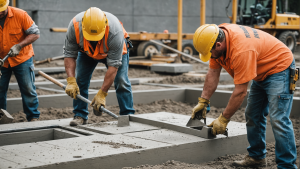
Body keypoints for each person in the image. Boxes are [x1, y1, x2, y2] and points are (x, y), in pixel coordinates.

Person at [192, 24, 297, 168]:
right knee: (253, 114)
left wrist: (223, 119)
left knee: (278, 118)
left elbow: (240, 91)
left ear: (218, 44)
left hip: (280, 68)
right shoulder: (214, 37)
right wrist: (203, 101)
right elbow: (213, 73)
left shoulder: (241, 50)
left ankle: (287, 166)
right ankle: (257, 158)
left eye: (210, 52)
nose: (209, 56)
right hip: (260, 68)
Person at [63, 7, 135, 126]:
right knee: (80, 79)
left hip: (112, 52)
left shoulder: (115, 32)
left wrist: (102, 93)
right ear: (83, 27)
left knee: (122, 81)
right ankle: (80, 115)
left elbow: (113, 66)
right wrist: (71, 80)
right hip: (86, 52)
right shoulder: (74, 26)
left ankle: (128, 115)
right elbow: (69, 55)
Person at [0, 0, 40, 121]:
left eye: (2, 10)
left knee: (28, 88)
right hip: (2, 61)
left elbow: (35, 33)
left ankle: (33, 117)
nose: (0, 13)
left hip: (22, 59)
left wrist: (19, 45)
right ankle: (1, 117)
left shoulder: (20, 14)